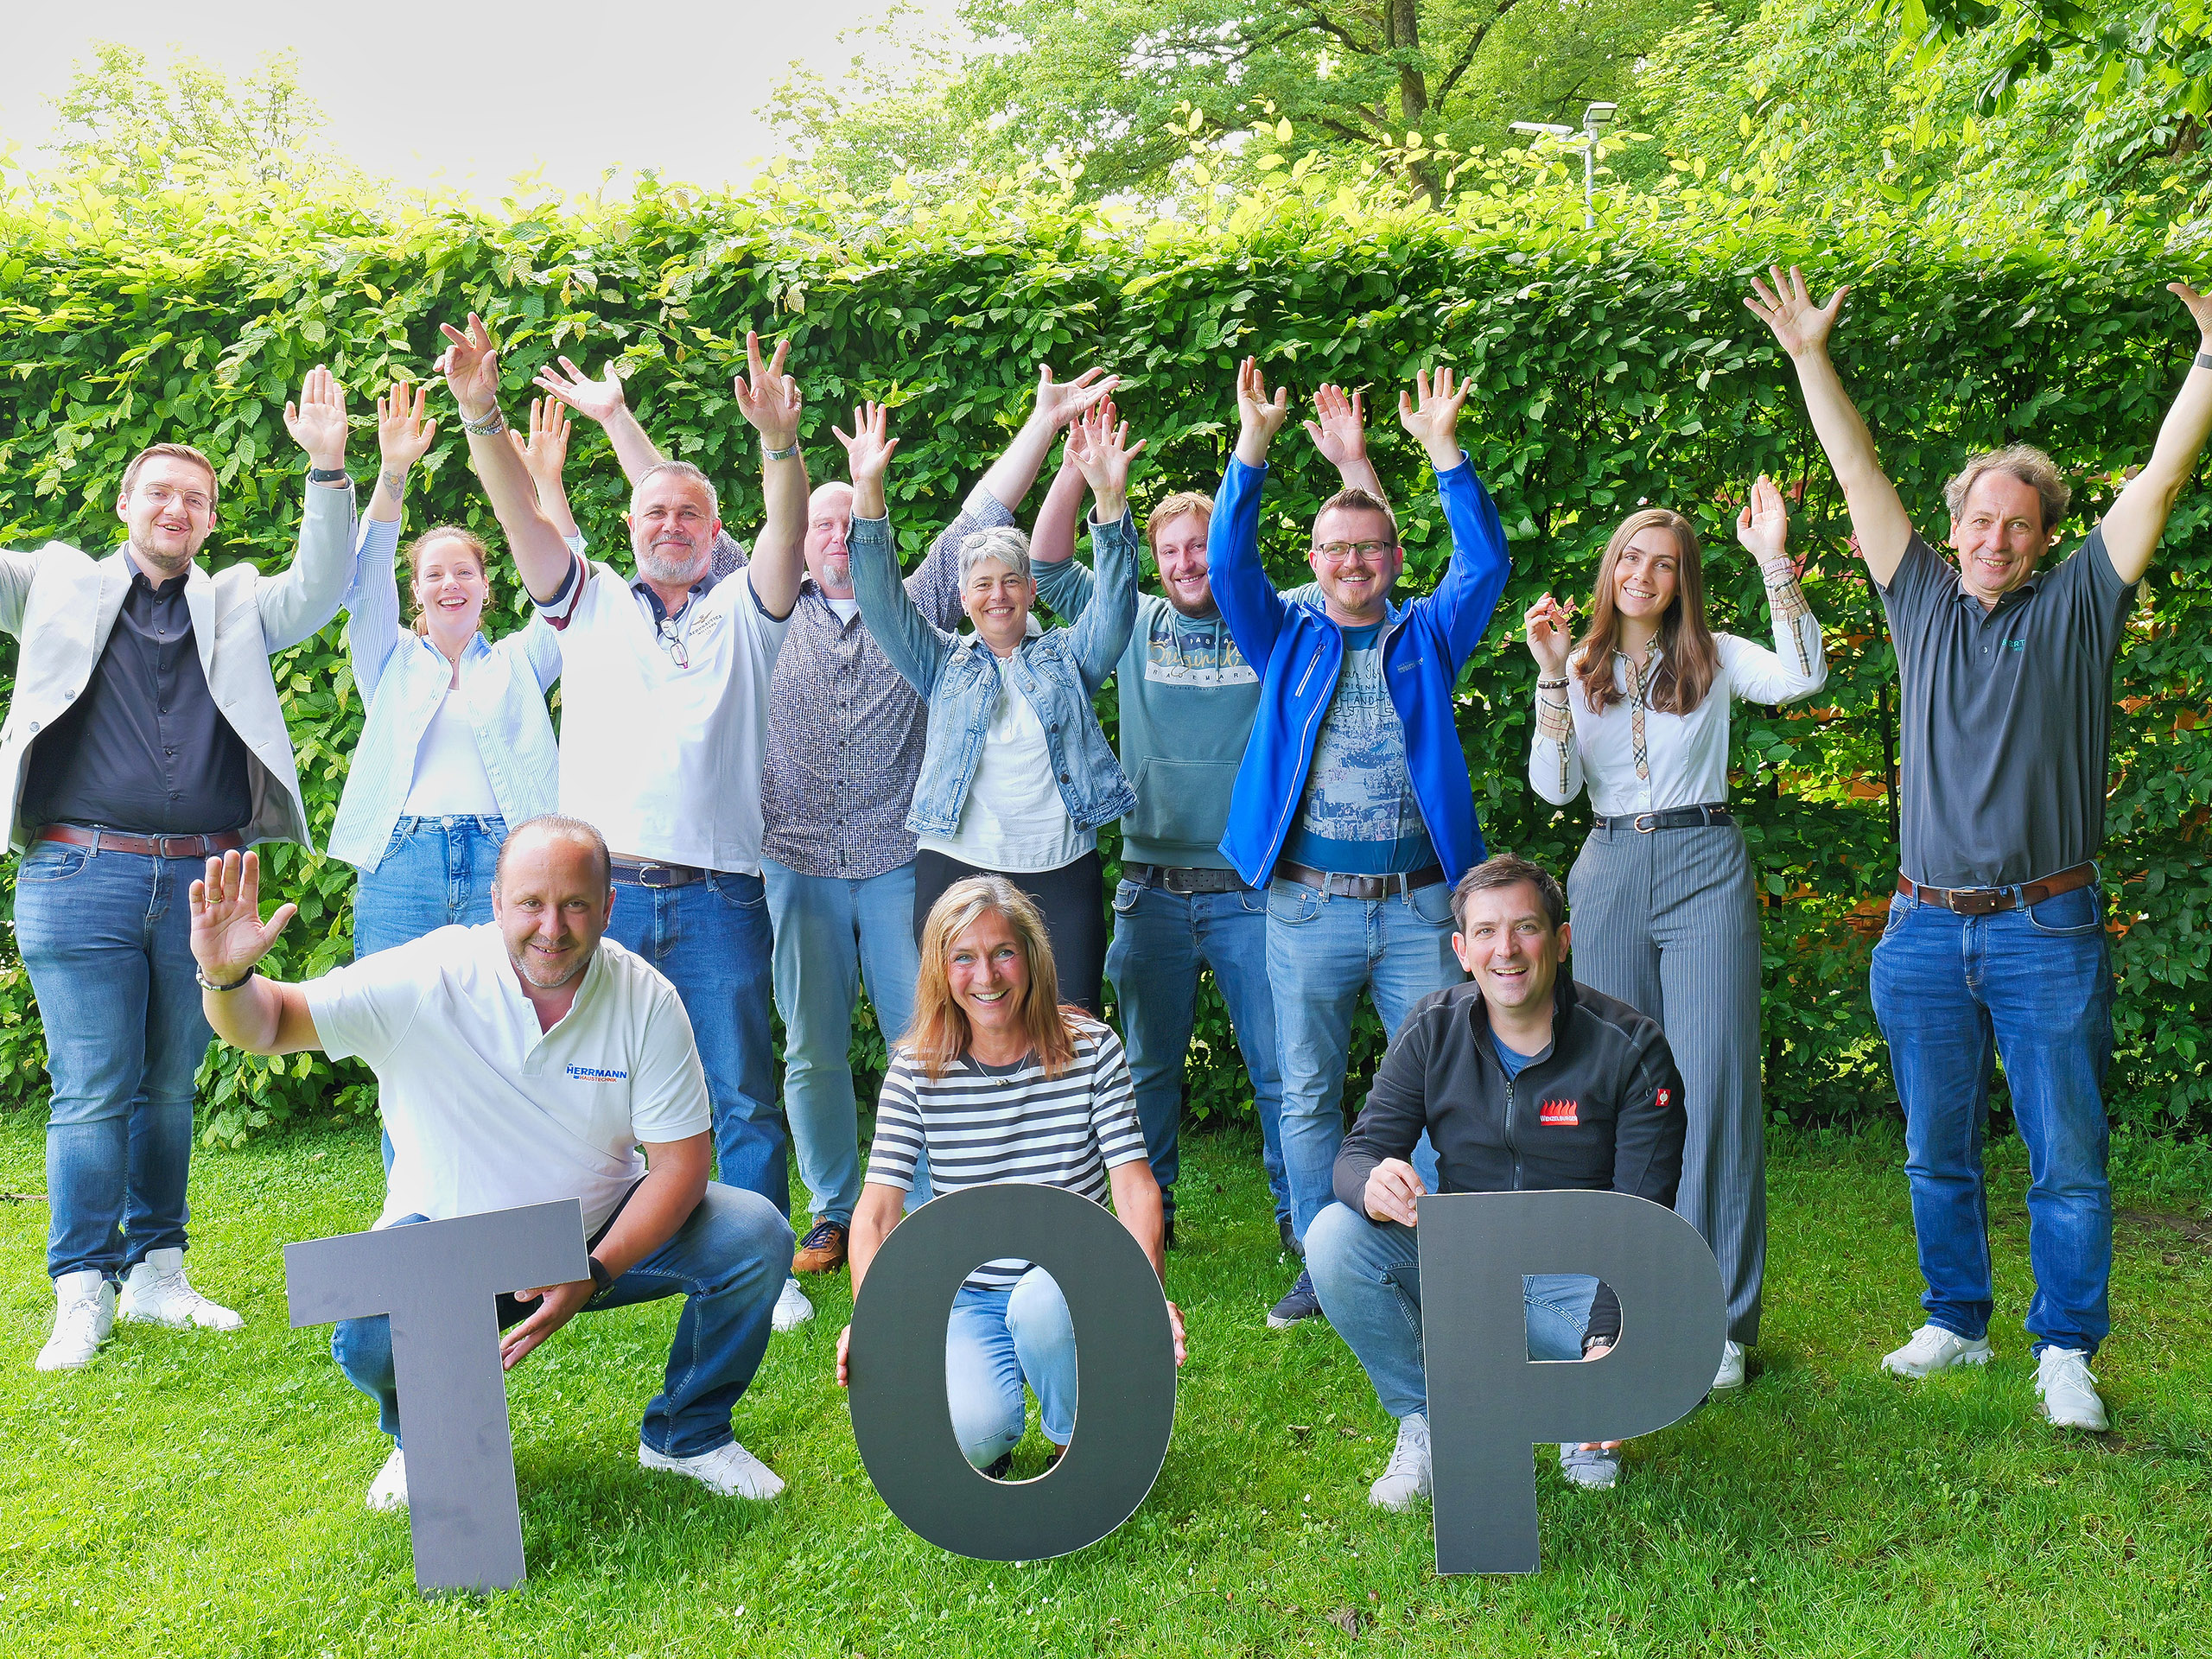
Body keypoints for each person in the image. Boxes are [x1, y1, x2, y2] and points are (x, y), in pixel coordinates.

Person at [533, 355, 1113, 1303]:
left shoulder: (914, 601)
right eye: (822, 523)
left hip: (894, 862)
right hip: (792, 862)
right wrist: (615, 418)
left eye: (852, 522)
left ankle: (925, 1207)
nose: (838, 535)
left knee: (922, 1039)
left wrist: (1046, 420)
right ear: (796, 538)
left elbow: (989, 506)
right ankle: (836, 1207)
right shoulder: (756, 599)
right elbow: (672, 513)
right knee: (808, 1050)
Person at [1746, 266, 2212, 1432]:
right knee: (1934, 1148)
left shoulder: (2080, 606)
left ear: (2045, 538)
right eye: (1978, 520)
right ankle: (1956, 1319)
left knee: (2067, 1155)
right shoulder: (1919, 602)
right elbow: (1857, 472)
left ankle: (2066, 1348)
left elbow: (2161, 476)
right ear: (1951, 530)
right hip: (1920, 928)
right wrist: (1809, 355)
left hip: (2046, 927)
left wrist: (2209, 360)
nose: (1994, 537)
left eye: (2017, 523)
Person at [185, 818, 792, 1504]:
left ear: (608, 907)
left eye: (575, 905)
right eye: (532, 903)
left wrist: (593, 1271)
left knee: (753, 1234)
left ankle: (688, 1434)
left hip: (595, 1234)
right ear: (497, 903)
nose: (552, 928)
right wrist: (226, 979)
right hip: (452, 1246)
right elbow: (270, 1023)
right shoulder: (428, 977)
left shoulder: (645, 998)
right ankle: (424, 1441)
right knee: (371, 1332)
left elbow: (681, 1167)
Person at [438, 315, 812, 1327]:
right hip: (600, 905)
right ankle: (560, 1255)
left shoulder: (747, 611)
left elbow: (786, 534)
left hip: (722, 896)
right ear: (631, 524)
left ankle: (762, 1264)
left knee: (739, 1089)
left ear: (715, 533)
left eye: (691, 513)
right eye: (655, 511)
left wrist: (780, 443)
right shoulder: (589, 600)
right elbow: (521, 518)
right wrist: (481, 415)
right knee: (572, 1086)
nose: (670, 524)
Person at [7, 367, 358, 1372]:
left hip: (206, 887)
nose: (176, 508)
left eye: (195, 499)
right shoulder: (52, 582)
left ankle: (158, 1274)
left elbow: (320, 587)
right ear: (125, 503)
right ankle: (82, 1291)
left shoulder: (237, 603)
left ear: (209, 520)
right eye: (159, 492)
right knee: (93, 1088)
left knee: (167, 1087)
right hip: (79, 877)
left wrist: (327, 466)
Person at [1028, 385, 1385, 1255]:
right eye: (1171, 550)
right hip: (1149, 889)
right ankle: (1150, 1216)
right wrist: (1077, 472)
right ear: (1152, 561)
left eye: (1201, 546)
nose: (1188, 563)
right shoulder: (1130, 619)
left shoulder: (1276, 623)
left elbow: (1361, 564)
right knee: (1146, 1070)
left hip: (1252, 890)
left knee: (1279, 1067)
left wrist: (1351, 460)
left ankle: (1300, 1222)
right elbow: (1045, 566)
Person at [1210, 358, 1513, 1329]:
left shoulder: (1428, 635)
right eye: (1336, 550)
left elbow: (1486, 565)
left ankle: (1432, 1250)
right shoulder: (1284, 637)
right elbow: (1228, 568)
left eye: (1370, 548)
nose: (1352, 564)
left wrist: (1444, 452)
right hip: (1306, 908)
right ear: (1313, 557)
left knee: (1445, 1087)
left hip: (1422, 907)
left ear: (1393, 557)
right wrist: (1252, 448)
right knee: (1306, 1092)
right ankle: (1322, 1255)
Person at [1521, 475, 1827, 1392]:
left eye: (1664, 564)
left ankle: (1717, 1320)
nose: (1644, 575)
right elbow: (1554, 791)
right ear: (1610, 568)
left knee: (1713, 1083)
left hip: (1704, 864)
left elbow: (1805, 674)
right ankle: (1611, 1307)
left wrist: (1773, 558)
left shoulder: (1717, 656)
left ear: (1684, 579)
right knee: (1608, 1088)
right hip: (1609, 867)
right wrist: (1550, 674)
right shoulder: (1577, 665)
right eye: (1631, 558)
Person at [1305, 855, 1688, 1508]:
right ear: (1462, 951)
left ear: (1561, 942)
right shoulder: (1432, 1027)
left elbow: (1642, 1221)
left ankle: (1577, 1411)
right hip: (1471, 1268)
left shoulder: (1631, 1046)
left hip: (1583, 1278)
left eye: (1525, 928)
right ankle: (1429, 1420)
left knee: (1665, 1345)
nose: (1505, 950)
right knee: (1334, 1237)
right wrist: (1370, 1183)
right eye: (1485, 932)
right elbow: (1357, 1153)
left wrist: (1608, 1343)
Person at [833, 875, 1185, 1473]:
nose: (987, 976)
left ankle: (1078, 1438)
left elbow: (1134, 1188)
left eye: (1003, 952)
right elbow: (875, 1216)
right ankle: (995, 1406)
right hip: (969, 1292)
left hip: (1070, 1279)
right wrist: (873, 1326)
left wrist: (1143, 1298)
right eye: (963, 958)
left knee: (1041, 1304)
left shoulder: (1092, 1049)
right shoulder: (917, 1069)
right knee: (976, 1438)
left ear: (1032, 957)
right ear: (940, 970)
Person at [847, 399, 1141, 1017]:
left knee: (1071, 1029)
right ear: (963, 597)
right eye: (982, 583)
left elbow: (1116, 611)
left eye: (1010, 580)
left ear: (1031, 588)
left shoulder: (1068, 657)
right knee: (958, 1028)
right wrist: (868, 493)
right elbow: (881, 603)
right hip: (957, 865)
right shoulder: (941, 662)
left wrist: (1110, 503)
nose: (997, 595)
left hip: (1061, 865)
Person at [329, 384, 569, 956]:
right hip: (401, 863)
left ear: (486, 587)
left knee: (506, 1006)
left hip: (506, 861)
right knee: (391, 1007)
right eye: (433, 575)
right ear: (416, 591)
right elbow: (368, 579)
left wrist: (548, 484)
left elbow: (568, 593)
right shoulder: (388, 659)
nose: (450, 584)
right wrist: (393, 472)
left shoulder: (520, 660)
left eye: (463, 572)